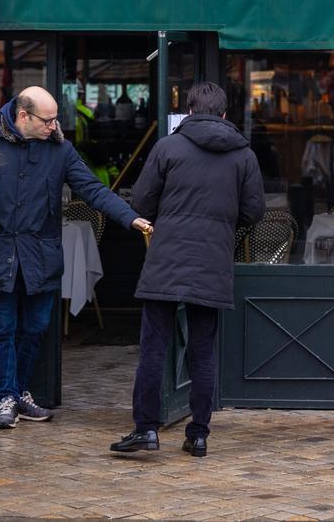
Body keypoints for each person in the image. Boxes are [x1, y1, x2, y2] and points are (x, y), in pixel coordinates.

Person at [0, 86, 152, 429]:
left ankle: (20, 393)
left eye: (55, 118)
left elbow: (92, 189)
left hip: (40, 256)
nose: (54, 126)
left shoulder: (60, 151)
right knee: (2, 328)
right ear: (23, 116)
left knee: (36, 328)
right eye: (47, 120)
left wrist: (129, 217)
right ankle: (6, 398)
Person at [110, 82, 263, 458]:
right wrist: (225, 225)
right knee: (203, 349)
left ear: (189, 111)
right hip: (213, 259)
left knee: (153, 348)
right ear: (225, 114)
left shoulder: (167, 147)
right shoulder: (243, 155)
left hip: (166, 258)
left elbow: (143, 200)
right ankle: (198, 433)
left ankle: (146, 429)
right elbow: (254, 211)